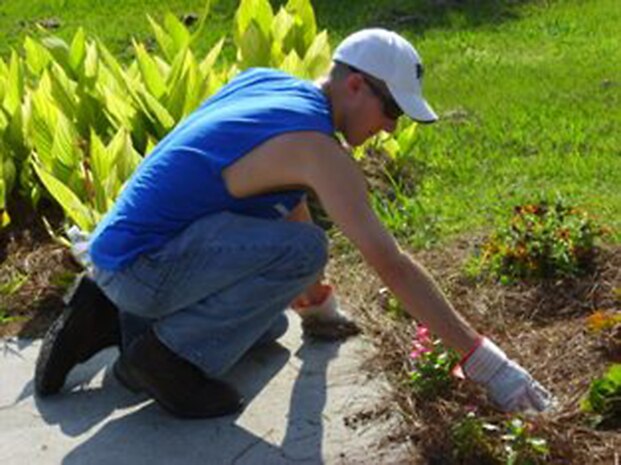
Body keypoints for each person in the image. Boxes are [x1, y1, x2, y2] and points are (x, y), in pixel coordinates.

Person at [35, 28, 553, 418]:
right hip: (142, 269)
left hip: (122, 254)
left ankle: (107, 313)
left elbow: (281, 199)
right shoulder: (317, 149)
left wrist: (318, 303)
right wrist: (483, 360)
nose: (391, 127)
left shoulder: (270, 86)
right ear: (356, 85)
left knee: (268, 325)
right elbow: (390, 264)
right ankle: (159, 361)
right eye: (391, 109)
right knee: (306, 250)